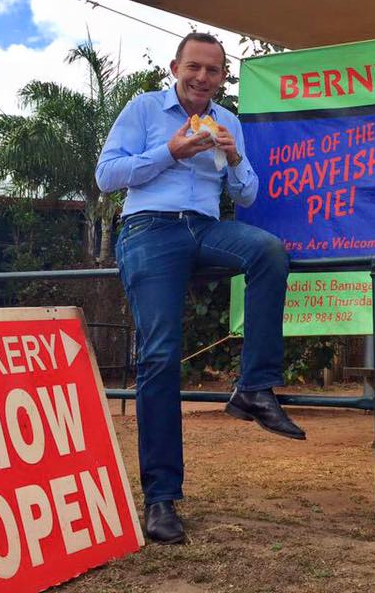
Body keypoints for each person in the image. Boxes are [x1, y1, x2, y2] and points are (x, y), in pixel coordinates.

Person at [96, 32, 304, 545]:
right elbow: (106, 175)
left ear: (222, 77)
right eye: (194, 67)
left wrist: (233, 157)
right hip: (149, 227)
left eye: (213, 70)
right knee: (160, 355)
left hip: (207, 228)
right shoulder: (145, 109)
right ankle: (161, 497)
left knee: (268, 251)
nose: (202, 78)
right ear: (176, 67)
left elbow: (247, 195)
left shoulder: (227, 120)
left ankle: (254, 388)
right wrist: (169, 151)